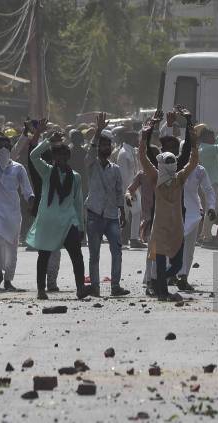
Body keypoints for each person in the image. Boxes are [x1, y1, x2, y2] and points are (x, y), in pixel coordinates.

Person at [26, 120, 92, 300]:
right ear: (54, 158)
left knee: (76, 255)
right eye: (58, 155)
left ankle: (80, 288)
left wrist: (81, 226)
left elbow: (78, 203)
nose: (61, 158)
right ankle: (41, 289)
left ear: (67, 157)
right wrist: (49, 140)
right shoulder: (47, 172)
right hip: (48, 220)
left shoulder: (75, 177)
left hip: (69, 221)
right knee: (44, 255)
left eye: (64, 155)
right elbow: (33, 156)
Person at [140, 109, 199, 301]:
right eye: (168, 160)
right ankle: (160, 290)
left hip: (176, 225)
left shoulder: (179, 177)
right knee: (158, 259)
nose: (171, 160)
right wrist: (145, 136)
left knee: (176, 264)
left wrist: (192, 133)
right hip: (159, 227)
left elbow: (192, 159)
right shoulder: (156, 177)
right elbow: (143, 156)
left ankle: (158, 284)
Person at [0, 110, 35, 291]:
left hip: (13, 214)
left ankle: (8, 281)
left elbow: (27, 191)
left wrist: (31, 202)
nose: (2, 148)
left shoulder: (18, 168)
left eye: (5, 145)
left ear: (10, 149)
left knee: (12, 249)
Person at [84, 112, 130, 298]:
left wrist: (123, 213)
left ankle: (115, 286)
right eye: (102, 144)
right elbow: (90, 151)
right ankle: (95, 287)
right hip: (94, 214)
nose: (105, 147)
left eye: (107, 144)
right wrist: (98, 132)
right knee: (94, 255)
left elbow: (120, 192)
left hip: (111, 216)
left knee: (117, 252)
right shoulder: (91, 164)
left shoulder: (116, 169)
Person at [175, 156, 215, 290]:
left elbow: (208, 190)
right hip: (174, 212)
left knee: (189, 249)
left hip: (193, 213)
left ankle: (183, 277)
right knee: (173, 245)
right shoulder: (173, 166)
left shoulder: (199, 170)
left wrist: (211, 207)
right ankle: (170, 274)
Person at [117, 129, 143, 248]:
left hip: (133, 187)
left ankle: (130, 238)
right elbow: (123, 175)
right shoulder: (124, 153)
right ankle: (130, 238)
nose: (138, 141)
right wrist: (128, 191)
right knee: (130, 213)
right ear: (129, 140)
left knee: (134, 212)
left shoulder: (132, 151)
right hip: (127, 189)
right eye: (136, 138)